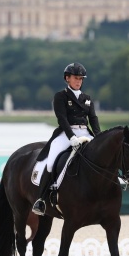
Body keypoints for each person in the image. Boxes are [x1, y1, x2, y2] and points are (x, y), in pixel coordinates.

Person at [32, 62, 101, 216]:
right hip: (66, 133)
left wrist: (99, 137)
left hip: (86, 133)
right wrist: (72, 137)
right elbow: (62, 119)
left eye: (81, 79)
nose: (79, 81)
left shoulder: (87, 98)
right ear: (67, 78)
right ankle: (41, 199)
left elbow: (93, 119)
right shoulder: (60, 97)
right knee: (51, 162)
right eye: (76, 78)